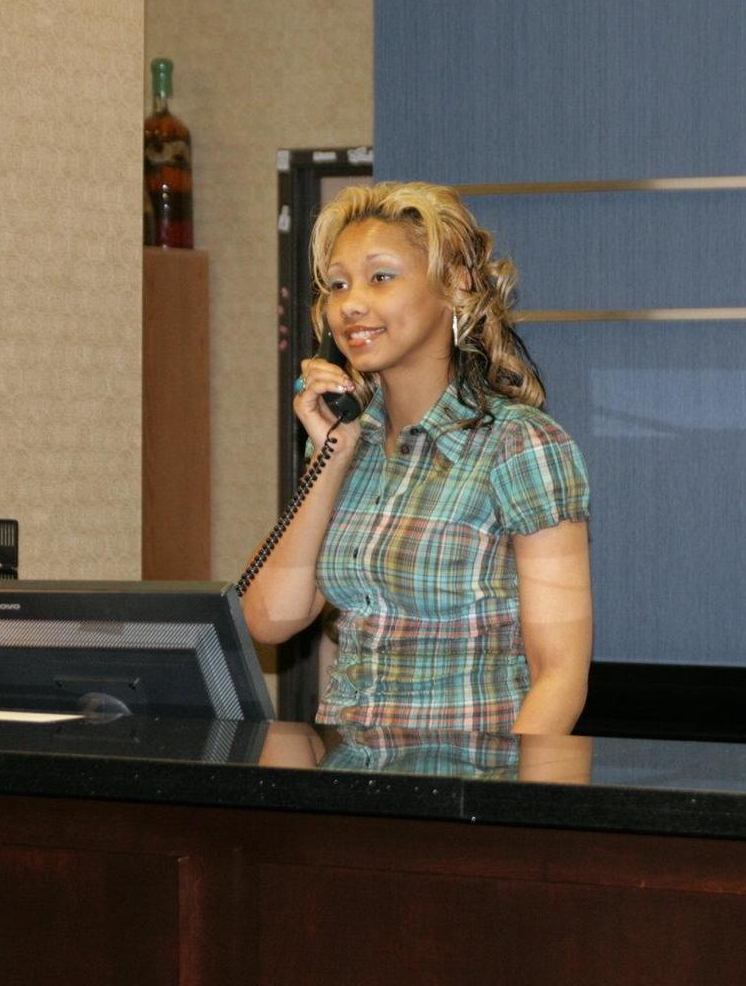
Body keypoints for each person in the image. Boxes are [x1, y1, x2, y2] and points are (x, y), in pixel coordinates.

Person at [241, 182, 592, 735]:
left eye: (381, 277)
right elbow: (269, 619)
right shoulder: (342, 438)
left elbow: (561, 676)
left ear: (455, 285)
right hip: (349, 776)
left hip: (468, 786)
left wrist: (506, 811)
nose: (351, 303)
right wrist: (331, 455)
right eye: (337, 284)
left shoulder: (522, 446)